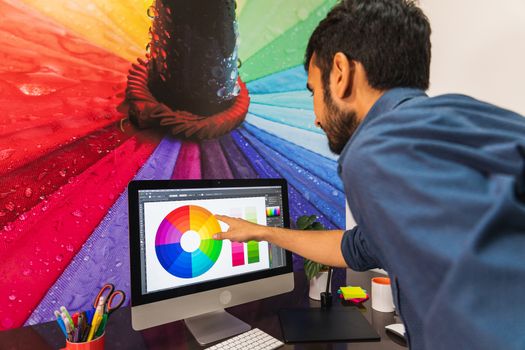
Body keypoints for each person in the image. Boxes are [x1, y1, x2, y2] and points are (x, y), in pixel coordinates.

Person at [213, 0, 525, 349]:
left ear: (342, 73)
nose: (315, 117)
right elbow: (354, 248)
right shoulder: (468, 120)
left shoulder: (376, 149)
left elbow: (487, 317)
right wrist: (264, 233)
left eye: (314, 91)